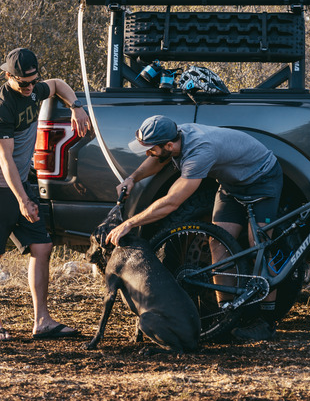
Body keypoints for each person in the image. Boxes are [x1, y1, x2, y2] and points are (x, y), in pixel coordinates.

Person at [106, 115, 283, 341]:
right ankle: (226, 315)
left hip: (262, 179)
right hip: (232, 185)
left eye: (150, 149)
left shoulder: (200, 152)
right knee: (218, 242)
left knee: (258, 245)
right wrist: (133, 178)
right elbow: (157, 159)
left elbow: (172, 202)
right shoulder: (175, 138)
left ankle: (266, 323)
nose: (147, 154)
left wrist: (130, 222)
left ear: (169, 145)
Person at [0, 47, 91, 341]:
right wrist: (23, 200)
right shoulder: (1, 107)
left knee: (42, 248)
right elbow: (5, 160)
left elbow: (57, 84)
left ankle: (42, 320)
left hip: (20, 182)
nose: (29, 88)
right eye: (23, 83)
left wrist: (76, 106)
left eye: (32, 82)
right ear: (8, 76)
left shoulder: (34, 90)